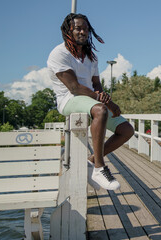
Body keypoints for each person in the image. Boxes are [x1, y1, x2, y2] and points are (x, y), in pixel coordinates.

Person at [47, 13, 134, 191]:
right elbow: (74, 88)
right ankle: (99, 168)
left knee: (126, 130)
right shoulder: (59, 53)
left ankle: (91, 160)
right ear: (68, 30)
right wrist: (101, 101)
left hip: (92, 101)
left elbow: (96, 85)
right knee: (100, 110)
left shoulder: (91, 56)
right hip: (69, 100)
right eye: (78, 28)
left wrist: (110, 103)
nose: (83, 32)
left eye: (86, 29)